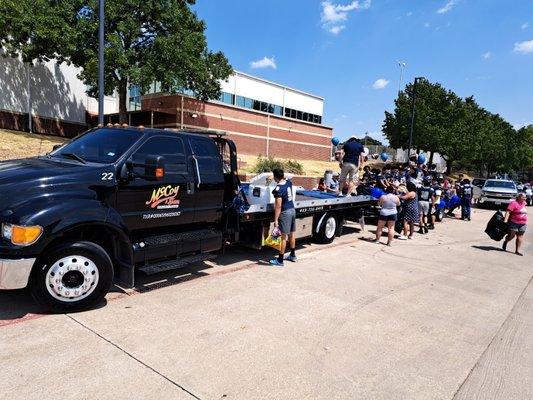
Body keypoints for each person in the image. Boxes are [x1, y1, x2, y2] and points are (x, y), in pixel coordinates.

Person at [269, 169, 297, 266]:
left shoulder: (278, 189)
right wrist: (276, 176)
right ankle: (293, 255)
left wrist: (276, 219)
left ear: (275, 177)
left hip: (285, 213)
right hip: (292, 210)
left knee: (283, 237)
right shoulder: (288, 183)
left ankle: (280, 260)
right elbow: (283, 179)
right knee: (292, 234)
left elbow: (278, 206)